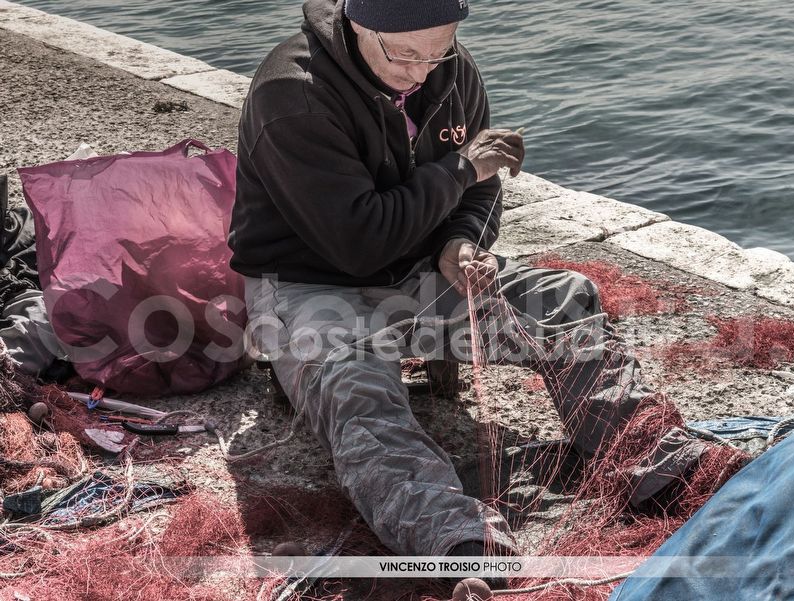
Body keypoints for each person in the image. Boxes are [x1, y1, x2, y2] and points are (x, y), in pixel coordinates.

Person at [229, 0, 656, 561]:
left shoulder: (449, 68)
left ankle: (651, 460)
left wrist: (462, 243)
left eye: (438, 52)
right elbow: (359, 243)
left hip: (419, 267)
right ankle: (455, 540)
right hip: (310, 283)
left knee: (562, 299)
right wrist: (460, 169)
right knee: (358, 382)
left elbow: (480, 190)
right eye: (404, 55)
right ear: (359, 24)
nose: (421, 72)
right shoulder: (291, 94)